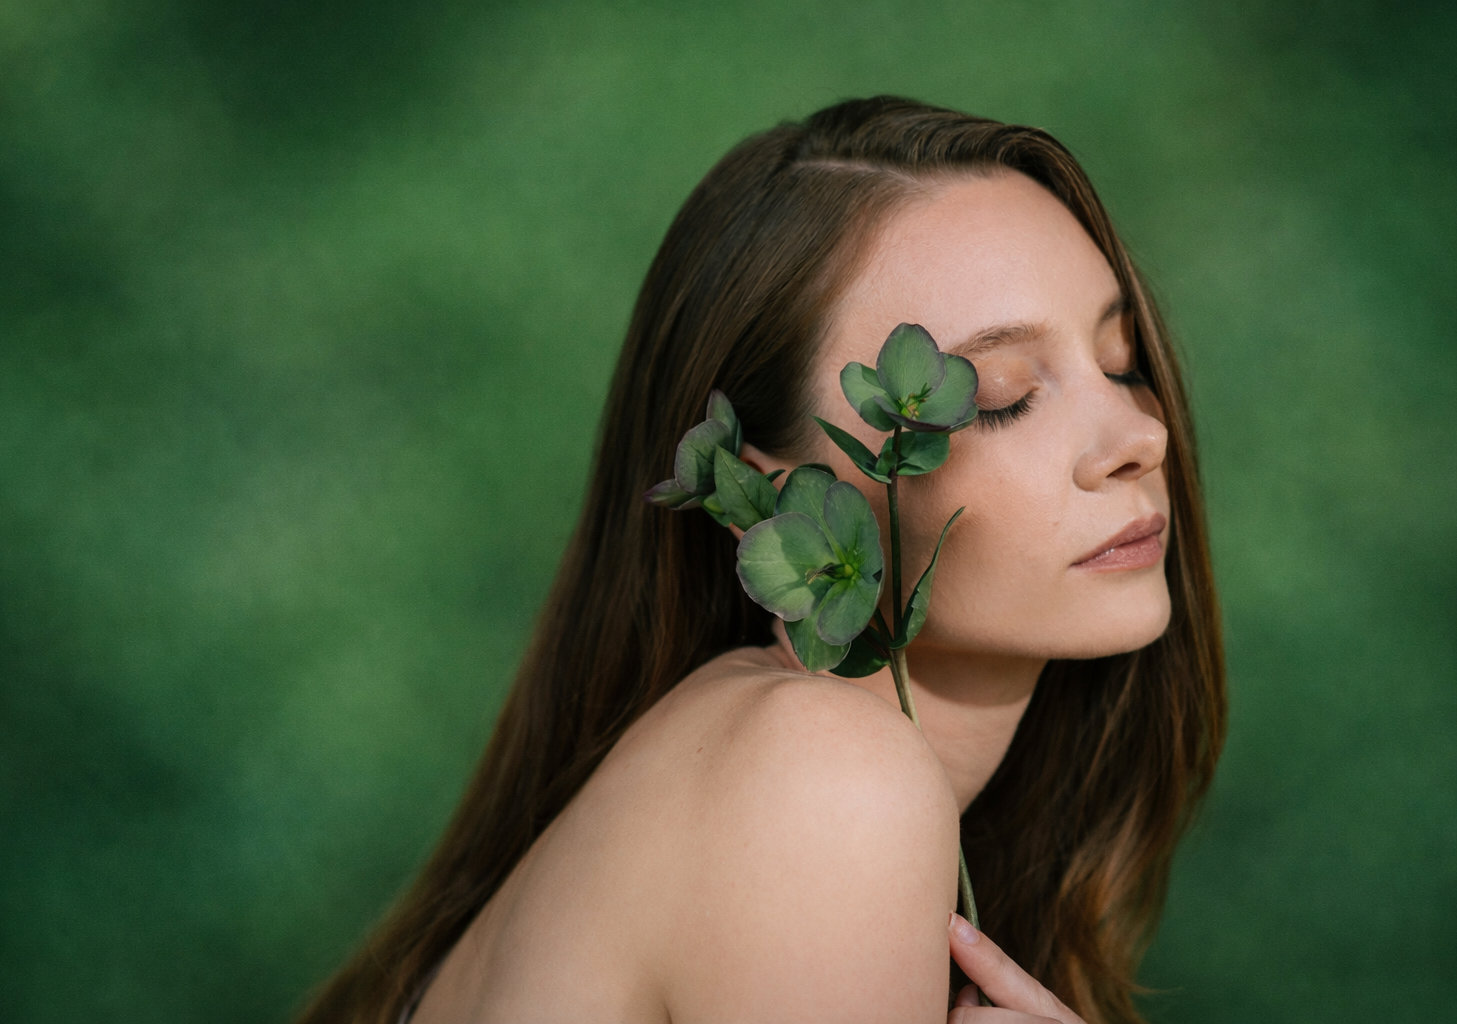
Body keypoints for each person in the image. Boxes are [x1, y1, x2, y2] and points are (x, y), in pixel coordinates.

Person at [297, 96, 1226, 1024]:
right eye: (999, 397)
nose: (1138, 434)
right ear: (771, 496)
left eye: (1123, 360)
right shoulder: (820, 775)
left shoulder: (751, 757)